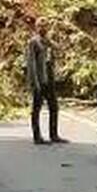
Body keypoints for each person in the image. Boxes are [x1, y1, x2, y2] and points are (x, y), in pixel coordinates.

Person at [25, 17, 67, 145]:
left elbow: (59, 48)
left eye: (45, 26)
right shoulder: (34, 42)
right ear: (36, 27)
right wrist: (34, 82)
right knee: (36, 108)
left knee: (54, 107)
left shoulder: (46, 41)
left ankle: (54, 135)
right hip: (39, 79)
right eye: (40, 26)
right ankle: (37, 136)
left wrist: (54, 42)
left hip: (49, 78)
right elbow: (31, 63)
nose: (43, 28)